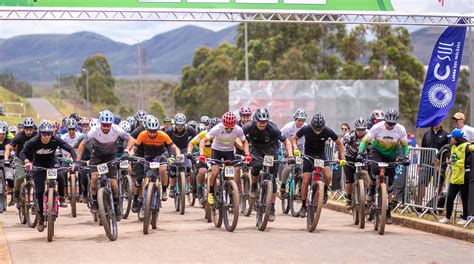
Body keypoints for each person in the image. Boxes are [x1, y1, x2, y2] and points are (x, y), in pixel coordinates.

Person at [76, 110, 135, 221]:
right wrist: (78, 161)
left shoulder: (116, 129)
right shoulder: (95, 130)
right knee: (93, 178)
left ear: (111, 124)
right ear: (100, 123)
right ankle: (94, 202)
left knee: (114, 184)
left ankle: (117, 206)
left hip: (110, 157)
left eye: (108, 125)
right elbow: (82, 144)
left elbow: (132, 139)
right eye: (104, 125)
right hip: (96, 157)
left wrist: (126, 151)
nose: (106, 127)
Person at [20, 120, 77, 232]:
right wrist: (27, 161)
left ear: (52, 134)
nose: (46, 136)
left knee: (60, 176)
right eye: (44, 134)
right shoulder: (34, 141)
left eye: (48, 134)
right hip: (38, 165)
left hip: (52, 162)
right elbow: (22, 152)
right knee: (39, 191)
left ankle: (61, 197)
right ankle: (41, 216)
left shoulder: (55, 139)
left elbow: (70, 149)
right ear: (40, 133)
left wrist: (75, 162)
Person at [357, 108, 409, 224]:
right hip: (377, 153)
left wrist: (406, 156)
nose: (390, 126)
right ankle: (371, 189)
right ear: (384, 121)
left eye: (392, 124)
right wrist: (360, 152)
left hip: (391, 155)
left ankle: (388, 210)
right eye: (388, 123)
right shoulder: (377, 127)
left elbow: (405, 145)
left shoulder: (400, 129)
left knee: (390, 185)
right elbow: (365, 140)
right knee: (375, 171)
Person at [243, 108, 294, 222]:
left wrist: (290, 156)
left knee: (273, 180)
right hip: (256, 149)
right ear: (255, 121)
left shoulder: (273, 128)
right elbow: (240, 137)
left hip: (271, 150)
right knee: (256, 167)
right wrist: (246, 153)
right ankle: (254, 186)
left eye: (264, 122)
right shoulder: (249, 126)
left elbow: (286, 142)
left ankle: (271, 208)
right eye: (260, 122)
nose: (262, 124)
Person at [292, 113, 346, 217]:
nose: (317, 131)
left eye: (319, 129)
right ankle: (303, 205)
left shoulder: (327, 130)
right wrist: (295, 149)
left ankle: (324, 190)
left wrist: (342, 158)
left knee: (328, 175)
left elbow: (339, 143)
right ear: (312, 126)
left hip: (321, 155)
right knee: (306, 179)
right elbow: (294, 138)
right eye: (315, 129)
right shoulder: (306, 129)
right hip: (309, 154)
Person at [131, 116, 181, 213]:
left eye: (155, 131)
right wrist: (131, 155)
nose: (153, 133)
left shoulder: (163, 135)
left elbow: (175, 147)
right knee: (140, 179)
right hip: (147, 157)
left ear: (157, 129)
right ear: (147, 129)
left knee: (163, 169)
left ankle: (164, 190)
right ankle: (137, 199)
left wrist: (178, 155)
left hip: (160, 156)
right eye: (150, 131)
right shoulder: (142, 134)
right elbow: (135, 148)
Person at [200, 112, 250, 206]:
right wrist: (202, 154)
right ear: (223, 124)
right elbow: (203, 140)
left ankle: (231, 196)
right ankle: (211, 192)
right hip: (216, 151)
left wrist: (247, 154)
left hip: (229, 152)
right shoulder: (217, 128)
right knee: (214, 172)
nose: (229, 130)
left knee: (230, 176)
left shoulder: (238, 129)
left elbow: (245, 141)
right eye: (227, 127)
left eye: (231, 128)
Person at [438, 129, 471, 225]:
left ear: (456, 138)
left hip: (464, 176)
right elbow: (455, 159)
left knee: (464, 198)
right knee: (450, 197)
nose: (450, 139)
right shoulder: (453, 147)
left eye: (451, 137)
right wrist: (451, 162)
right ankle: (447, 217)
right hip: (454, 176)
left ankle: (465, 218)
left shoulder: (466, 146)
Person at [4, 117, 37, 206]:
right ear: (23, 128)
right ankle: (17, 194)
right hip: (20, 159)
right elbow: (8, 147)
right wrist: (6, 160)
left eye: (30, 129)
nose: (29, 132)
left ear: (33, 128)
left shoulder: (37, 136)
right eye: (26, 129)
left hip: (34, 159)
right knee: (20, 177)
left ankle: (36, 202)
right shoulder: (19, 136)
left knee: (36, 180)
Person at [165, 113, 196, 198]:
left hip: (185, 149)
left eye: (182, 125)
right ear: (175, 124)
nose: (180, 127)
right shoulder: (169, 130)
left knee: (188, 167)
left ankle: (189, 184)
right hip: (172, 149)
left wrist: (193, 151)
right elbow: (163, 142)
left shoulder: (189, 129)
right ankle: (171, 188)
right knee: (172, 168)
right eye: (178, 125)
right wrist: (167, 154)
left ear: (184, 124)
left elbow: (197, 138)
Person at [342, 117, 370, 210]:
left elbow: (373, 145)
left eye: (362, 130)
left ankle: (368, 194)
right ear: (355, 129)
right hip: (349, 156)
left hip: (362, 156)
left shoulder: (369, 134)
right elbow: (341, 145)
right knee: (349, 179)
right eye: (359, 130)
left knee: (365, 173)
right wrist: (340, 157)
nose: (360, 132)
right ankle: (349, 199)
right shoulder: (349, 135)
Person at [279, 108, 307, 196]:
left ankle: (299, 189)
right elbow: (279, 136)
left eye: (302, 121)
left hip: (299, 149)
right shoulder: (288, 127)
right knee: (288, 167)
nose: (301, 123)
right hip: (288, 148)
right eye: (299, 120)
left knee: (301, 168)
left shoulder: (306, 127)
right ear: (295, 119)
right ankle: (283, 186)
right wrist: (280, 149)